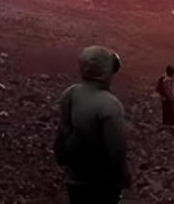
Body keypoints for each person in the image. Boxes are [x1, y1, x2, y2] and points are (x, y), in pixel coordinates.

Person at [54, 46, 131, 204]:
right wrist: (123, 176)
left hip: (75, 177)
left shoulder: (71, 93)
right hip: (101, 183)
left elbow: (62, 132)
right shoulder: (110, 104)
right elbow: (117, 149)